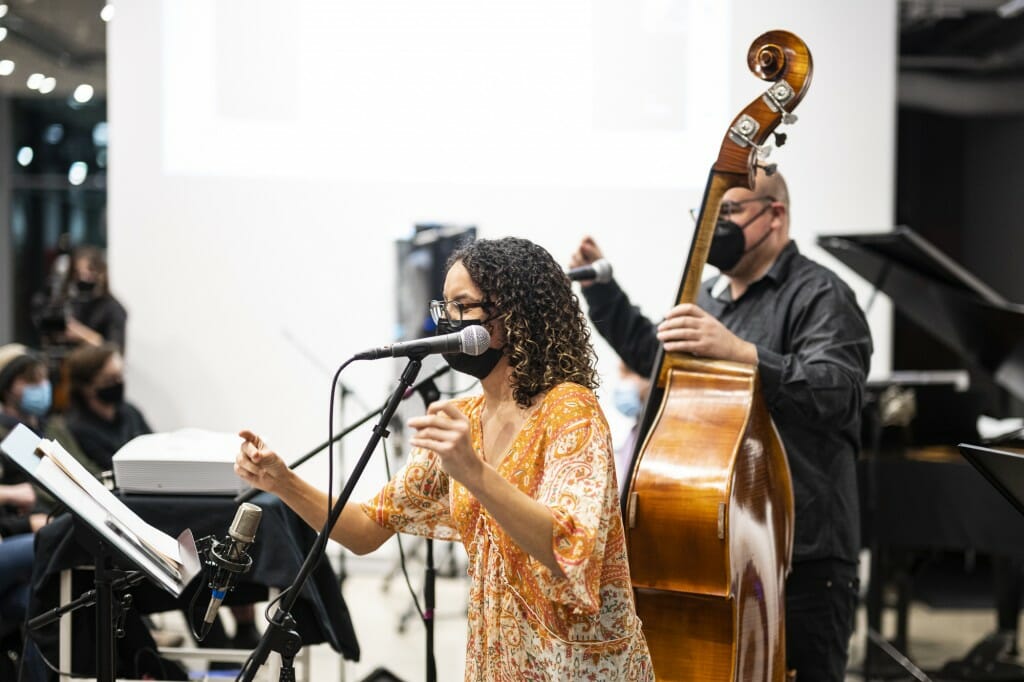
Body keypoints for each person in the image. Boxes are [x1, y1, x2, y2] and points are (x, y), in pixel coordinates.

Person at [236, 237, 653, 680]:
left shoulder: (570, 410)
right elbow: (365, 530)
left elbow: (568, 547)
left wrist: (473, 472)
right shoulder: (465, 419)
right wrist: (283, 482)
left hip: (576, 663)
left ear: (513, 313)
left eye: (463, 305)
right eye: (445, 306)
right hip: (500, 662)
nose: (447, 321)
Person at [571, 168, 873, 682]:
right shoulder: (709, 295)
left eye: (727, 212)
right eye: (708, 214)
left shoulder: (822, 295)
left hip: (802, 557)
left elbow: (838, 391)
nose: (714, 225)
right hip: (722, 550)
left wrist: (744, 355)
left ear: (774, 215)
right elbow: (659, 361)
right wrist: (604, 291)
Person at [64, 343, 151, 471]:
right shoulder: (76, 428)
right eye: (110, 379)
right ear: (86, 387)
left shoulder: (130, 411)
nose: (118, 383)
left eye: (120, 376)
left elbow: (154, 445)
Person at [59, 245, 128, 352]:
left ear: (101, 273)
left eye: (89, 273)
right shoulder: (70, 304)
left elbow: (116, 353)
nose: (83, 279)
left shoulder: (113, 309)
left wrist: (83, 335)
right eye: (78, 274)